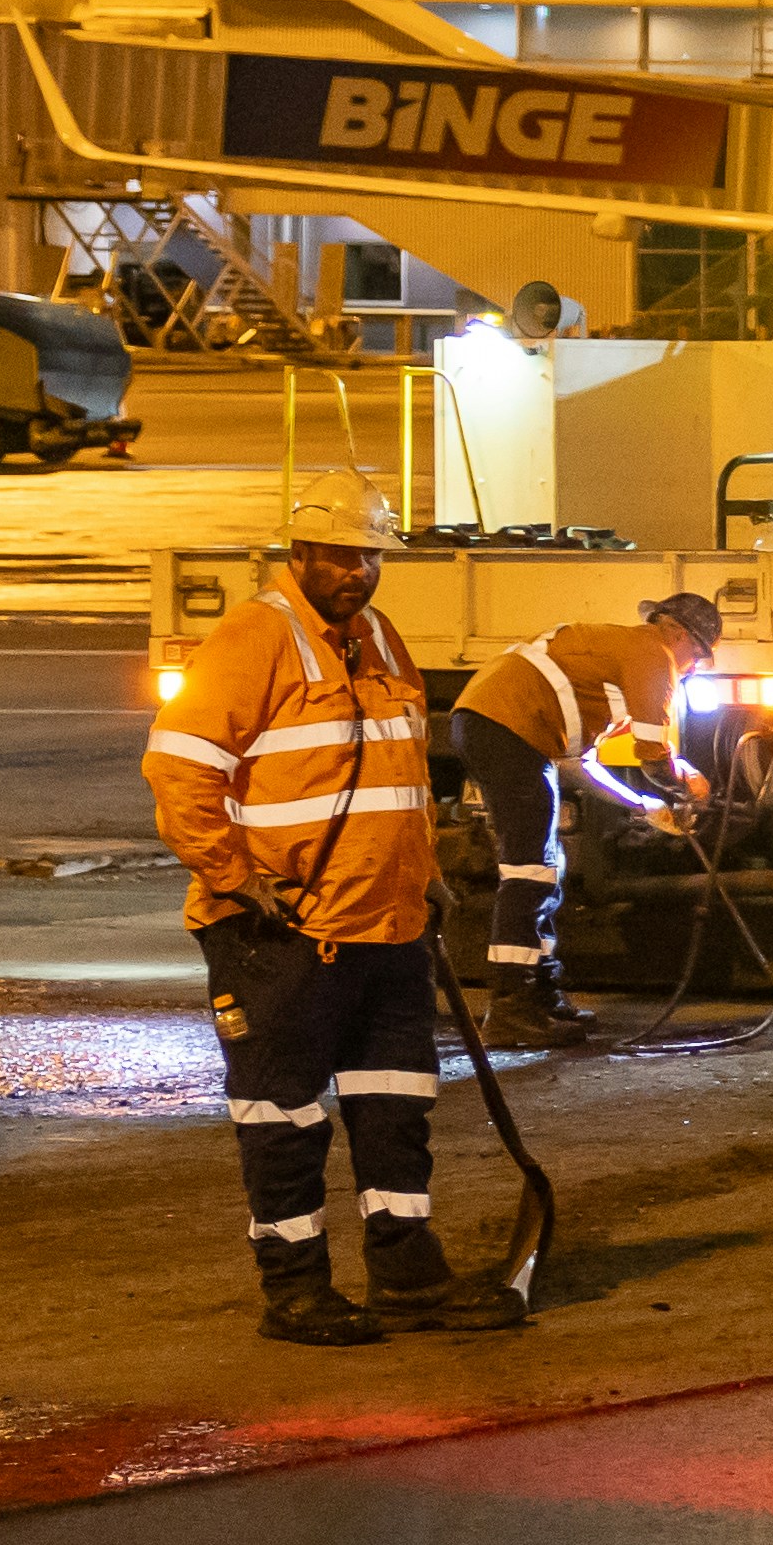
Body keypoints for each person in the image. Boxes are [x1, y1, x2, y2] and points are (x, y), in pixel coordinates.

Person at [147, 475, 493, 1345]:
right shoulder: (255, 636)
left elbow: (401, 767)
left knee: (394, 1105)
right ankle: (296, 1290)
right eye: (342, 553)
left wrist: (423, 874)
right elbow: (180, 766)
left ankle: (407, 1276)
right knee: (283, 1117)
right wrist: (232, 875)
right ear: (299, 554)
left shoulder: (378, 638)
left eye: (371, 553)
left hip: (386, 926)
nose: (359, 570)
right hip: (283, 933)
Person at [446, 587, 722, 1045]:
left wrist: (643, 805)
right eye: (697, 655)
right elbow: (654, 758)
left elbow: (580, 765)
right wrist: (684, 786)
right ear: (677, 634)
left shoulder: (611, 654)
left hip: (494, 725)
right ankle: (513, 1008)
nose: (693, 667)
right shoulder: (653, 654)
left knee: (545, 865)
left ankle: (539, 994)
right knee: (530, 870)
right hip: (507, 728)